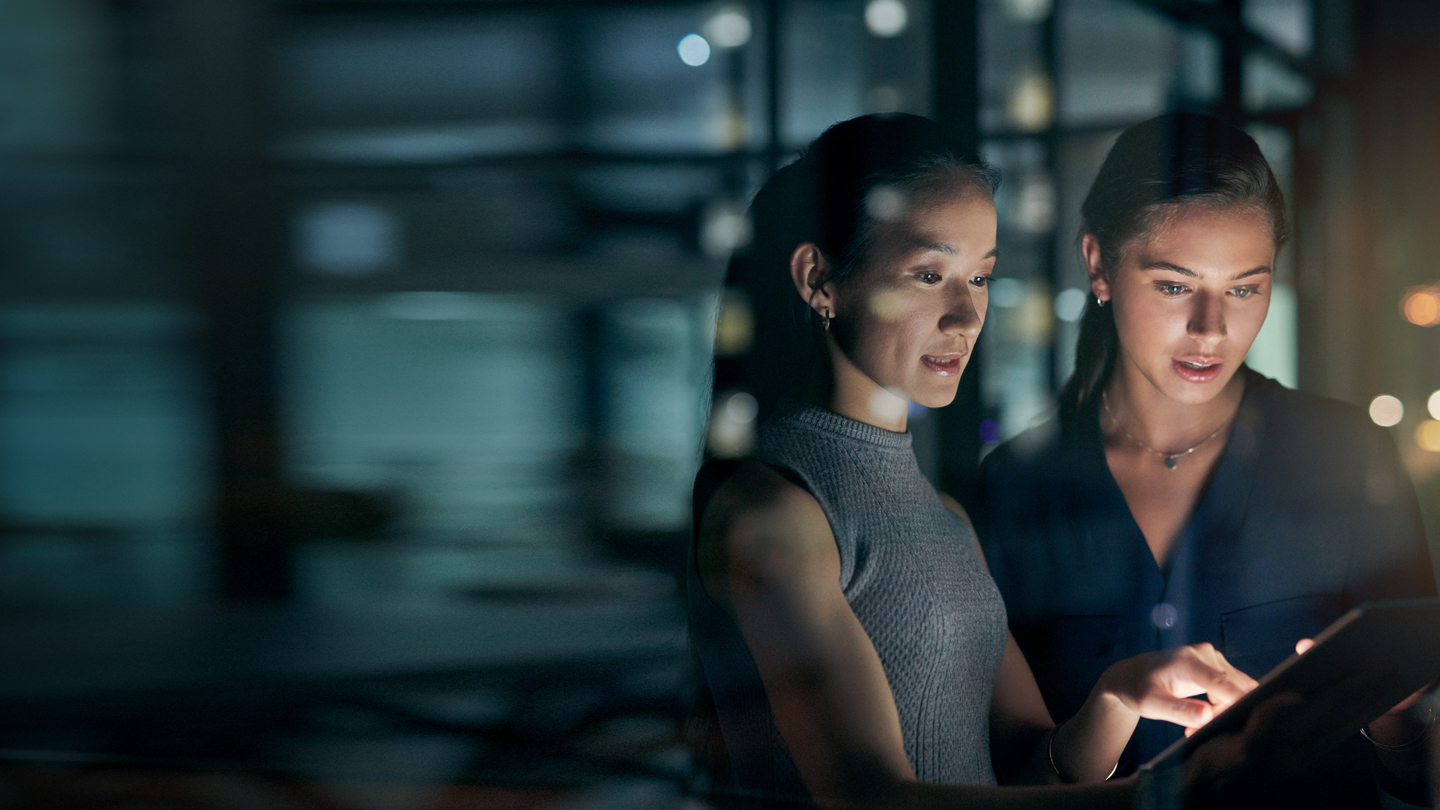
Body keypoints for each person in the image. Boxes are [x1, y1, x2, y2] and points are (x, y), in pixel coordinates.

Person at [686, 113, 1264, 810]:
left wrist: (1115, 700)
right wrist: (1154, 797)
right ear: (819, 279)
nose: (966, 316)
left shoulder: (945, 518)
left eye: (982, 278)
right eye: (930, 274)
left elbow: (1032, 768)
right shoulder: (773, 515)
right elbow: (872, 799)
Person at [974, 113, 1438, 808]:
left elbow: (1420, 780)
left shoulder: (1346, 458)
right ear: (1099, 264)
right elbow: (1000, 783)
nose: (1211, 330)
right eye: (1174, 286)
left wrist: (1398, 718)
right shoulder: (1011, 492)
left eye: (1244, 289)